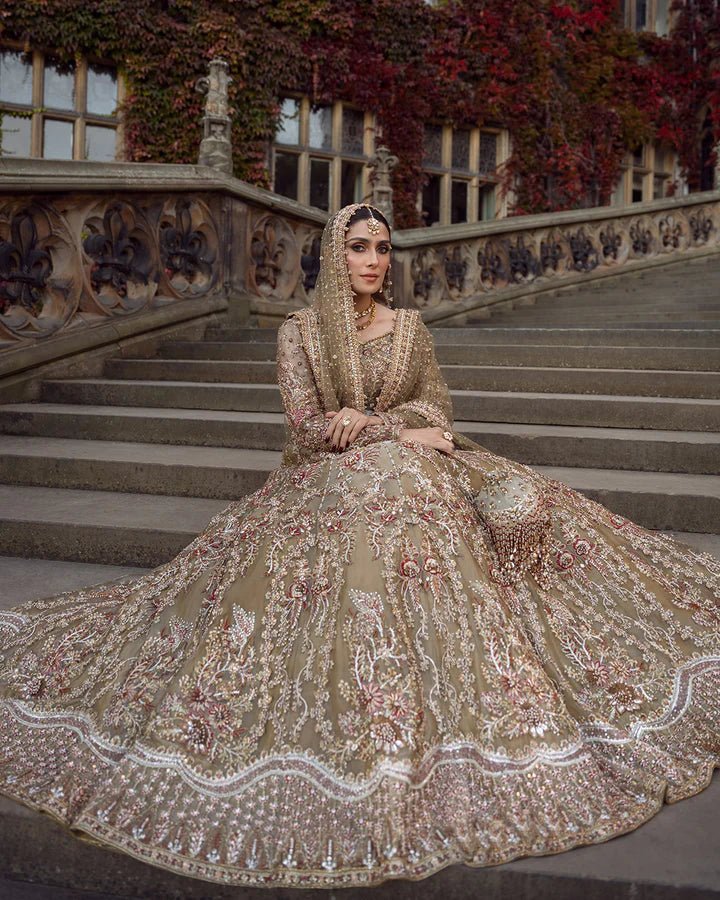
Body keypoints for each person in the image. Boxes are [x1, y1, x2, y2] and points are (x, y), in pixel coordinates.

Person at [0, 202, 718, 890]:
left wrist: (392, 427)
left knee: (434, 496)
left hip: (415, 473)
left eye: (382, 249)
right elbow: (307, 427)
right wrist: (390, 434)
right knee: (381, 492)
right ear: (332, 256)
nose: (373, 260)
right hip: (323, 482)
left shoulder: (410, 329)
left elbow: (436, 409)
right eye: (358, 247)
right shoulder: (300, 333)